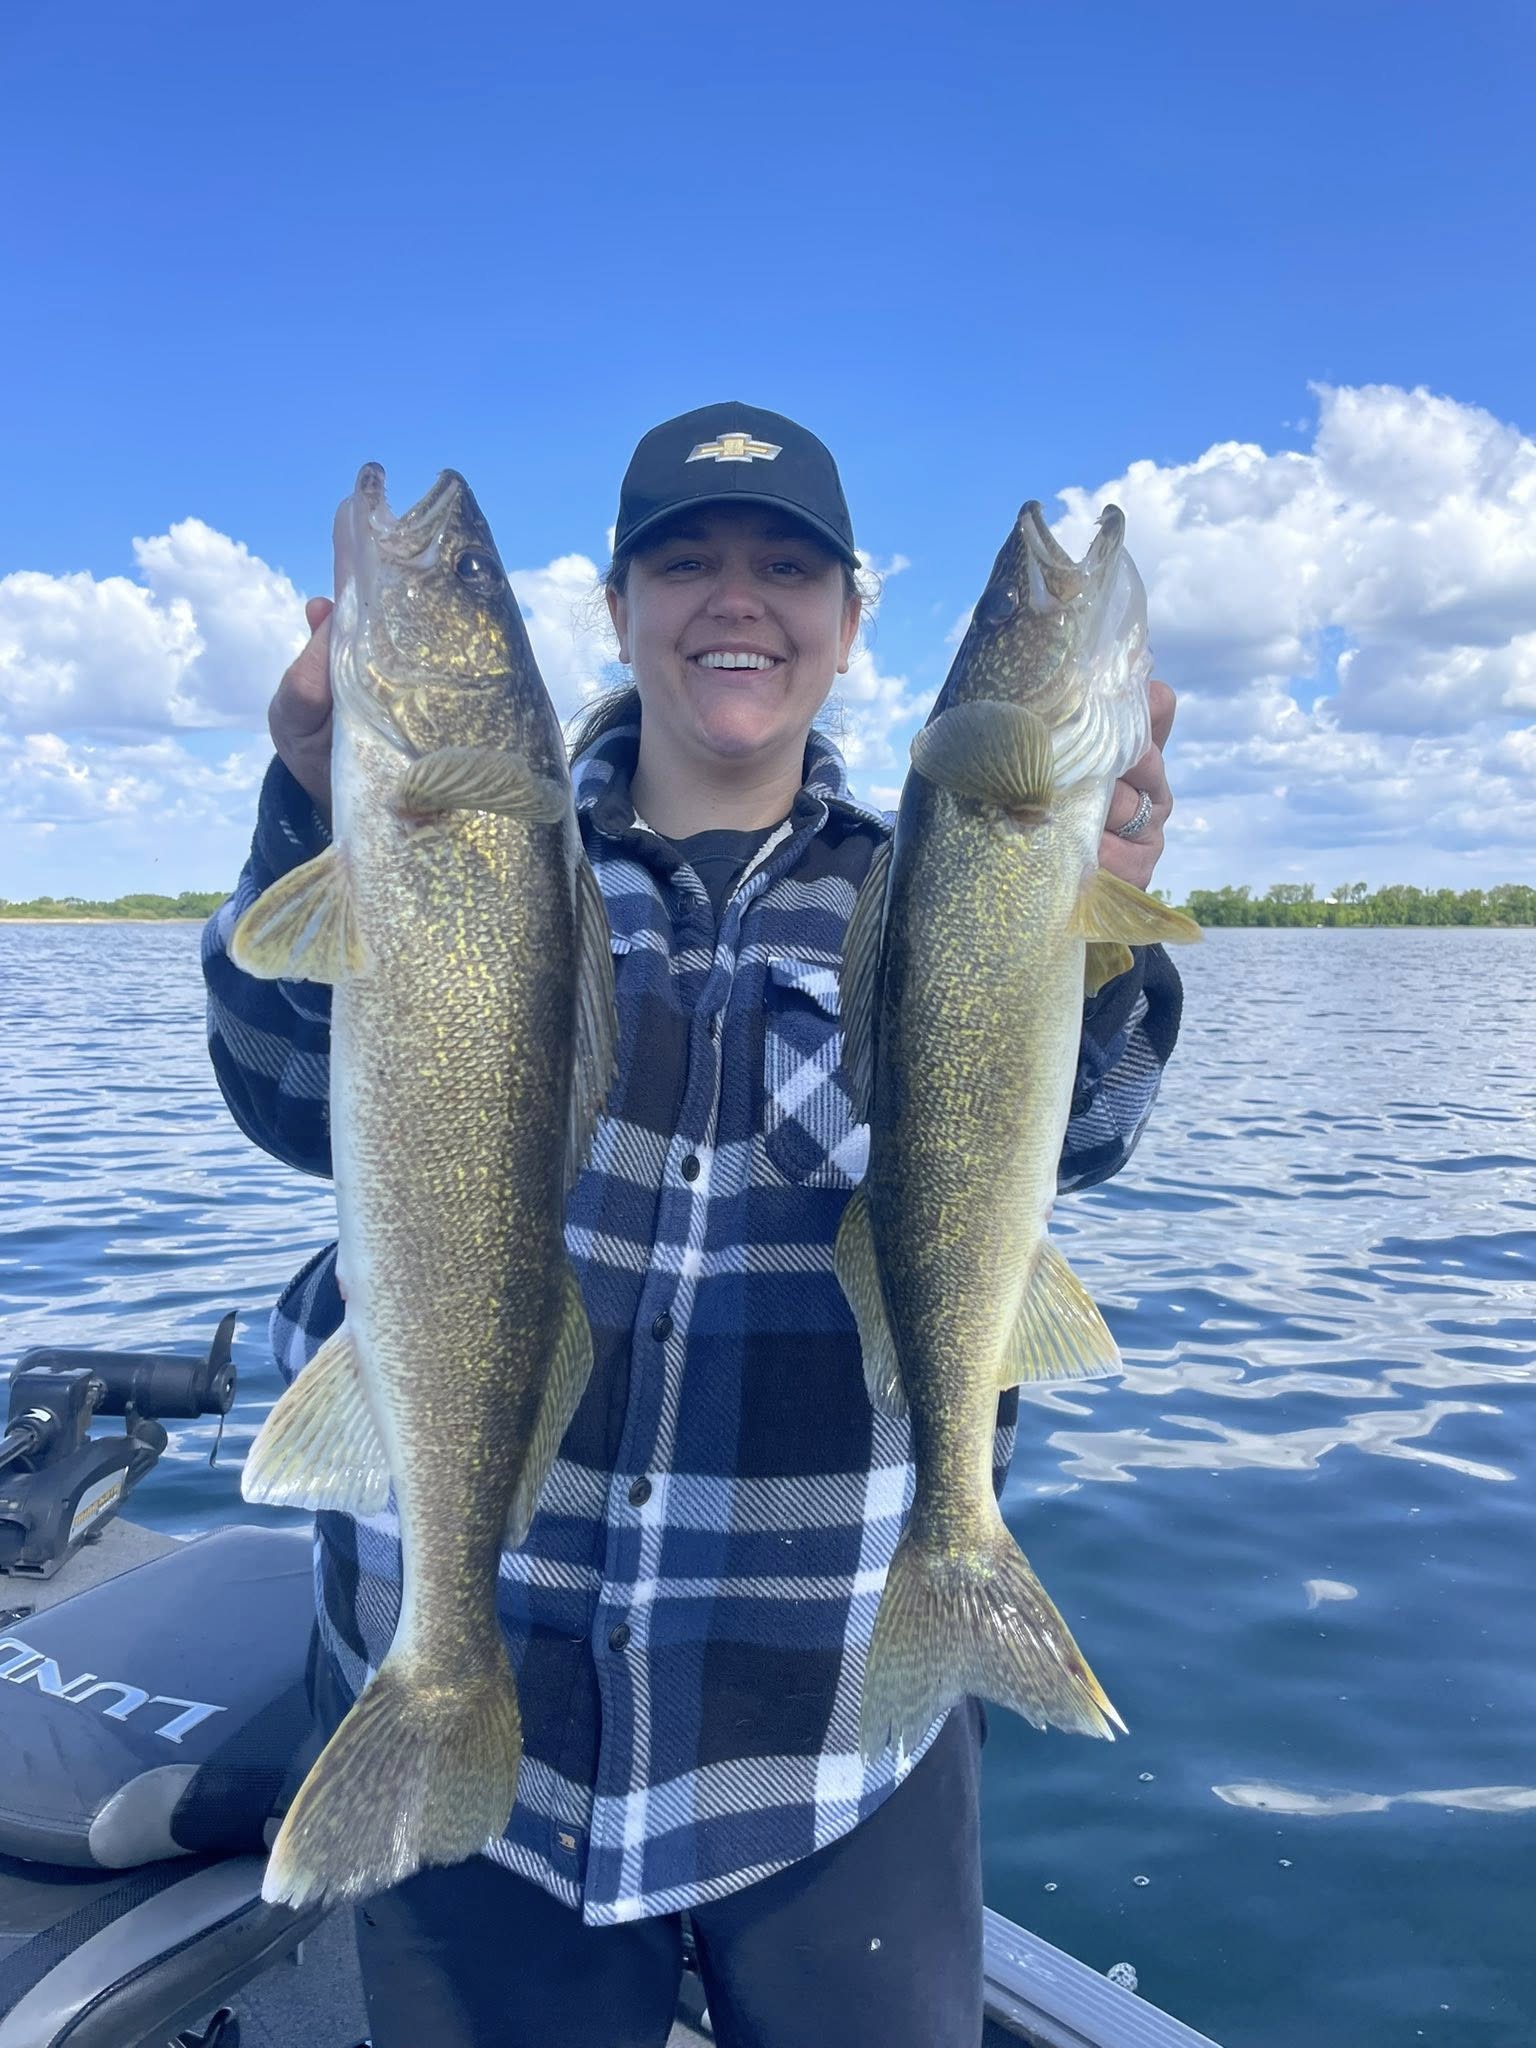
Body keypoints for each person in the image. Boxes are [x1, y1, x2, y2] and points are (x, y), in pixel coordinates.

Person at [203, 402, 1183, 2048]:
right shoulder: (496, 856)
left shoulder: (919, 872)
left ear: (854, 619)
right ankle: (432, 1691)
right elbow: (286, 1096)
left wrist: (1102, 903)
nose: (737, 599)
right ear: (615, 611)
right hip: (484, 1733)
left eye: (786, 565)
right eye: (687, 564)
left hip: (819, 1738)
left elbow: (1079, 1141)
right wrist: (310, 807)